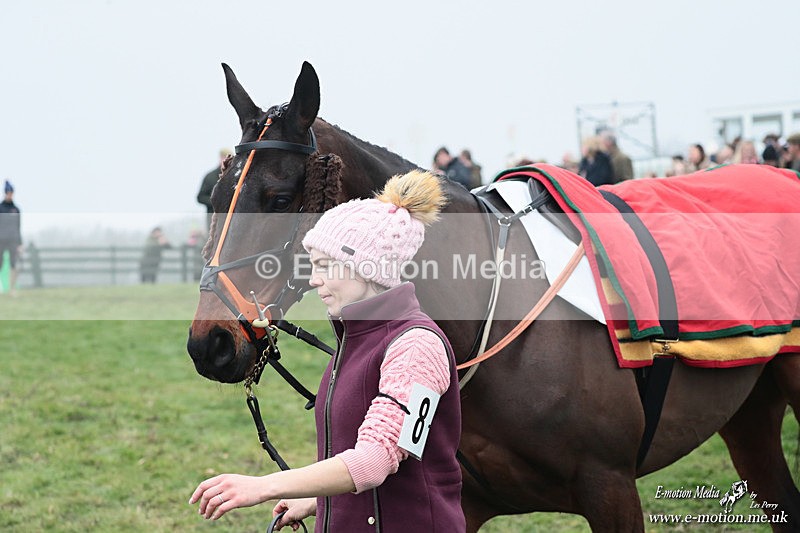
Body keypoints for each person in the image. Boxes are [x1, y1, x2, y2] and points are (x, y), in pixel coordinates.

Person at [189, 170, 465, 531]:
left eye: (324, 266)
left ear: (365, 267)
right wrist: (316, 500)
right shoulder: (355, 340)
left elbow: (375, 459)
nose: (314, 279)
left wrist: (263, 486)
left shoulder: (416, 347)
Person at [197, 148, 233, 228]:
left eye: (230, 158)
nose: (227, 160)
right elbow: (200, 197)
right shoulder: (210, 177)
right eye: (225, 157)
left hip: (231, 219)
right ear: (220, 158)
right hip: (214, 220)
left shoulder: (234, 176)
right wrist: (216, 202)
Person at [0, 180, 22, 296]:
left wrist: (20, 243)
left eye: (11, 193)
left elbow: (18, 227)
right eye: (8, 192)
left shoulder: (16, 210)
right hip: (1, 240)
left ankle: (12, 289)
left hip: (13, 240)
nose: (10, 195)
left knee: (14, 264)